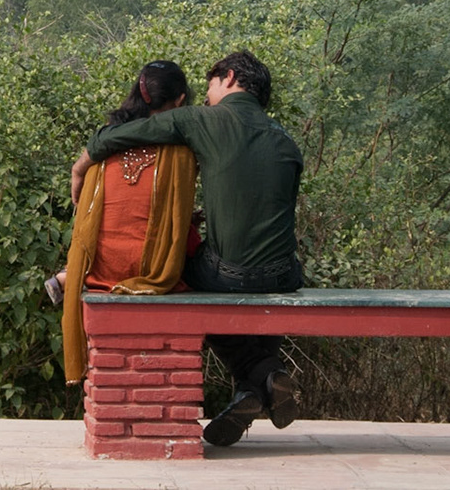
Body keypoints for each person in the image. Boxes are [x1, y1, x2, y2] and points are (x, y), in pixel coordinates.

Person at [72, 50, 304, 447]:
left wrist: (80, 169)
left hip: (228, 275)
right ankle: (251, 389)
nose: (207, 93)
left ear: (228, 78)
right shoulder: (287, 141)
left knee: (182, 278)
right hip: (287, 275)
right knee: (264, 281)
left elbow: (114, 136)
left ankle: (262, 373)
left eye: (211, 83)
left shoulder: (201, 119)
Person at [56, 60, 200, 386]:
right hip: (152, 272)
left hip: (100, 270)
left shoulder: (103, 146)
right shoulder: (181, 151)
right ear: (179, 102)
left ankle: (69, 275)